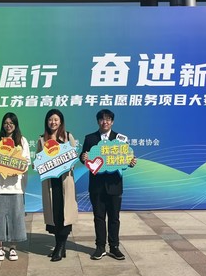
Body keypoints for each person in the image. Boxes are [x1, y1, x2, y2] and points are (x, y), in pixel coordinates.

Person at [80, 109, 137, 261]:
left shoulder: (120, 139)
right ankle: (100, 247)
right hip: (97, 186)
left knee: (114, 218)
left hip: (114, 185)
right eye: (102, 119)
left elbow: (127, 158)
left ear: (112, 121)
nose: (105, 122)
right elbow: (83, 157)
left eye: (108, 119)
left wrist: (131, 162)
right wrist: (83, 157)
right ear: (98, 121)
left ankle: (114, 247)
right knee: (99, 217)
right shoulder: (90, 138)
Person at [37, 109, 79, 262]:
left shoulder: (67, 136)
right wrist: (39, 165)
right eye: (50, 119)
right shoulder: (42, 139)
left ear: (60, 121)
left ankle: (60, 248)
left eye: (56, 119)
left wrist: (67, 163)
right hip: (50, 182)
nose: (53, 122)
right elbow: (39, 160)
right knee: (55, 215)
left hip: (64, 181)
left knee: (64, 215)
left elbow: (74, 157)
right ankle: (59, 246)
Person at [0, 112, 30, 261]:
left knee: (16, 217)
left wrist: (17, 169)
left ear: (15, 125)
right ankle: (0, 248)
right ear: (2, 124)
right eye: (6, 123)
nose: (8, 126)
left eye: (11, 123)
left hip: (16, 186)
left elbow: (26, 161)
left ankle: (13, 247)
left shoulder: (22, 141)